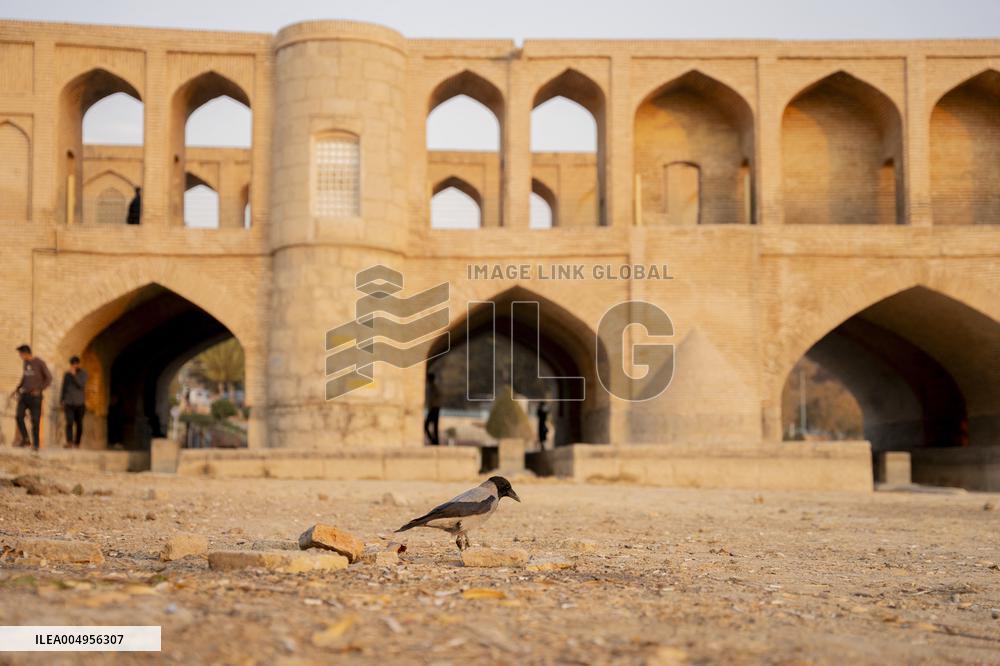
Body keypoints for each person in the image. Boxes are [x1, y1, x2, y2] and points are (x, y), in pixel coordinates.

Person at [13, 344, 51, 451]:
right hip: (24, 395)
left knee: (35, 420)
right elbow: (25, 377)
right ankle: (25, 439)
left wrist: (39, 389)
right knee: (19, 416)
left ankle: (36, 445)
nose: (20, 356)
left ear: (25, 353)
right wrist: (18, 388)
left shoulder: (39, 362)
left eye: (20, 354)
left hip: (35, 397)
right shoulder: (25, 363)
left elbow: (49, 378)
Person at [59, 355, 88, 448]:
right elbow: (64, 387)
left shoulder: (83, 373)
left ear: (79, 364)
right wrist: (62, 400)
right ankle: (69, 442)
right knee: (69, 422)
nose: (74, 366)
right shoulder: (67, 374)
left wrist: (74, 375)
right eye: (72, 364)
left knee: (79, 424)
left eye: (76, 364)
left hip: (79, 403)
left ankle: (77, 443)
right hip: (69, 402)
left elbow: (81, 384)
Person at [424, 372, 441, 445]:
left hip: (434, 408)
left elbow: (433, 398)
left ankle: (434, 440)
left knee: (427, 425)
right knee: (434, 425)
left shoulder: (432, 387)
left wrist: (431, 407)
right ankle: (435, 441)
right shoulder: (433, 387)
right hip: (435, 407)